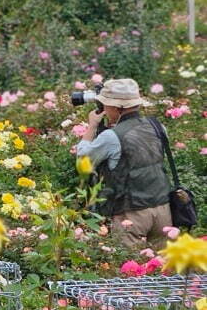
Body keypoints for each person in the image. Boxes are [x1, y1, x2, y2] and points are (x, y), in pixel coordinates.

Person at [73, 78, 172, 250]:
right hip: (163, 208)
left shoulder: (111, 137)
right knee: (164, 270)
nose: (104, 108)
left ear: (117, 107)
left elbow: (83, 161)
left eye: (106, 104)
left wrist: (92, 126)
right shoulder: (157, 126)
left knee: (129, 270)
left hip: (131, 214)